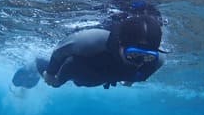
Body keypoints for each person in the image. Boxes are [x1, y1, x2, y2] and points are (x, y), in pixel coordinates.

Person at [34, 14, 165, 89]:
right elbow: (59, 52)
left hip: (105, 76)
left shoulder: (158, 61)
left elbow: (142, 74)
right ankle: (35, 62)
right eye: (134, 54)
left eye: (148, 57)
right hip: (81, 68)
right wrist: (50, 73)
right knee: (56, 83)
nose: (140, 62)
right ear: (120, 43)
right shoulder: (91, 40)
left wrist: (131, 80)